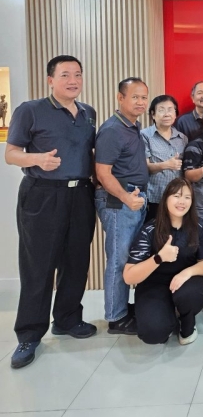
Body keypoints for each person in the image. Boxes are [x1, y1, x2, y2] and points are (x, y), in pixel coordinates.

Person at [6, 55, 97, 369]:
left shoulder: (88, 113)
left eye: (78, 74)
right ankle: (29, 334)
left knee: (76, 261)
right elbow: (11, 154)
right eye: (65, 75)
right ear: (50, 80)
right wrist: (37, 159)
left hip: (81, 194)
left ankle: (67, 319)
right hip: (42, 195)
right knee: (38, 266)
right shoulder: (30, 110)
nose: (73, 80)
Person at [123, 178, 203, 345]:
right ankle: (168, 317)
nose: (182, 201)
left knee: (190, 294)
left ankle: (187, 320)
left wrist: (187, 273)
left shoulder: (198, 226)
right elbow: (129, 276)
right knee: (153, 333)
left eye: (187, 197)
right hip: (154, 285)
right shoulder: (150, 229)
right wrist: (159, 258)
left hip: (186, 282)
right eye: (177, 196)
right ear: (165, 199)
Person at [95, 77, 150, 335]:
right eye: (135, 97)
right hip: (119, 202)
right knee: (119, 258)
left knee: (128, 256)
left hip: (133, 199)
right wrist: (127, 198)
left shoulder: (133, 127)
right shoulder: (112, 130)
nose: (140, 102)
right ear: (120, 98)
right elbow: (103, 173)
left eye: (144, 97)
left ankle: (122, 308)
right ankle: (116, 318)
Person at [141, 95, 188, 222]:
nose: (167, 114)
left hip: (177, 197)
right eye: (161, 110)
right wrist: (166, 165)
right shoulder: (144, 136)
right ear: (153, 114)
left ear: (175, 114)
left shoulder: (182, 138)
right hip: (154, 197)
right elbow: (145, 167)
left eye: (170, 110)